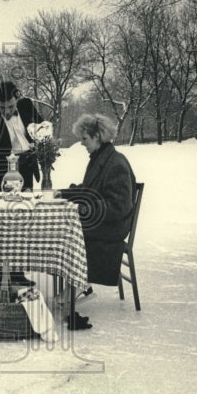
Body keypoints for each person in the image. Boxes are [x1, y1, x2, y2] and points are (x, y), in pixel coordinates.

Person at [62, 113, 137, 315]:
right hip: (103, 220)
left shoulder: (116, 163)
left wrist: (86, 208)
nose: (81, 143)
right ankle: (78, 284)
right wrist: (66, 193)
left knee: (69, 233)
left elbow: (118, 206)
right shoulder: (101, 158)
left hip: (113, 226)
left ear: (97, 136)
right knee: (66, 229)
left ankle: (79, 286)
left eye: (84, 139)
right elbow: (91, 190)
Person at [0, 80, 44, 287]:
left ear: (17, 98)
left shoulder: (26, 107)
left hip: (27, 166)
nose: (7, 111)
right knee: (3, 225)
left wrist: (41, 148)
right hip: (3, 174)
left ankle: (17, 273)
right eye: (2, 107)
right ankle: (2, 275)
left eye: (10, 106)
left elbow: (43, 131)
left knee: (23, 220)